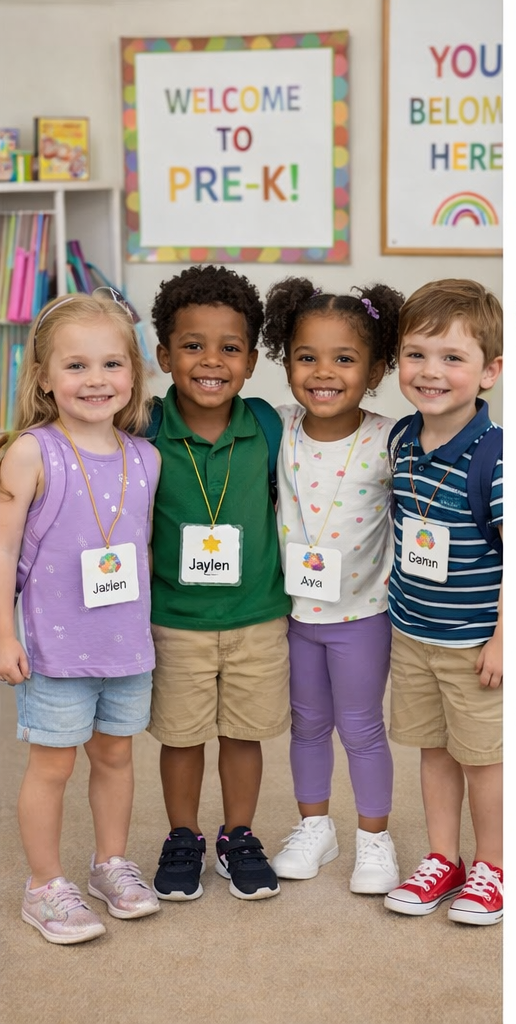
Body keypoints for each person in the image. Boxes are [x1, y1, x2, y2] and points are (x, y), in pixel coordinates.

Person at [2, 292, 159, 942]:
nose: (96, 380)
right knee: (53, 765)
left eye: (111, 364)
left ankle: (110, 862)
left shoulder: (145, 459)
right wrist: (3, 631)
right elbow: (4, 548)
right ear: (43, 376)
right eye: (76, 366)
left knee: (117, 757)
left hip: (124, 647)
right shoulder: (31, 452)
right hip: (54, 651)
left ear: (134, 373)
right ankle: (43, 886)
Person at [145, 266, 290, 902]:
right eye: (192, 345)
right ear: (163, 354)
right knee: (180, 736)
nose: (212, 361)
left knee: (243, 731)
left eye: (230, 348)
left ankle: (238, 835)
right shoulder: (143, 428)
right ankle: (183, 835)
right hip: (174, 619)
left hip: (258, 615)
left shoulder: (267, 425)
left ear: (252, 359)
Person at [258, 278, 403, 895]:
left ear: (375, 370)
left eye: (344, 359)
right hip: (292, 615)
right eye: (305, 356)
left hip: (363, 617)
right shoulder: (277, 427)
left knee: (362, 727)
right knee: (307, 726)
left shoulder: (392, 437)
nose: (323, 372)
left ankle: (375, 839)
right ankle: (316, 827)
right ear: (285, 361)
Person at [381, 280, 509, 924]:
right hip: (413, 634)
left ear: (490, 371)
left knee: (482, 759)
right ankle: (443, 857)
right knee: (433, 749)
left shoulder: (496, 455)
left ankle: (492, 866)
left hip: (474, 643)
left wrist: (502, 638)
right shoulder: (402, 439)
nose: (431, 372)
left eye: (453, 358)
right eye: (417, 354)